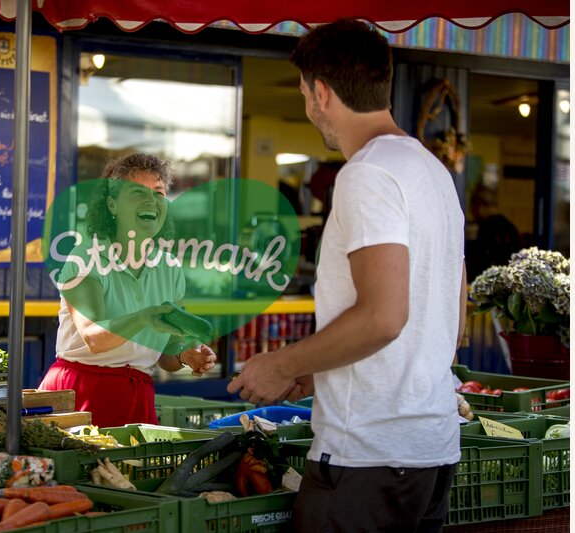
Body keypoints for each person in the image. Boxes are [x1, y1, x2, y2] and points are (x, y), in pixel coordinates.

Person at [227, 19, 466, 532]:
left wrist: (280, 363)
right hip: (431, 450)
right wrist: (320, 368)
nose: (309, 111)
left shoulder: (368, 173)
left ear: (321, 92)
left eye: (305, 96)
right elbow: (450, 316)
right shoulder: (432, 172)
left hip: (368, 457)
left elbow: (383, 319)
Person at [40, 153, 217, 428]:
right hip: (79, 392)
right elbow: (93, 338)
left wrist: (185, 355)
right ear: (112, 204)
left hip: (137, 396)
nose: (150, 201)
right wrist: (145, 317)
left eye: (158, 193)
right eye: (137, 192)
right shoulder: (85, 258)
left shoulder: (169, 267)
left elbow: (166, 352)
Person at [466, 184, 522, 278]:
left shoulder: (487, 227)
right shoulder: (510, 226)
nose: (472, 213)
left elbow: (481, 260)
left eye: (472, 207)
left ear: (480, 205)